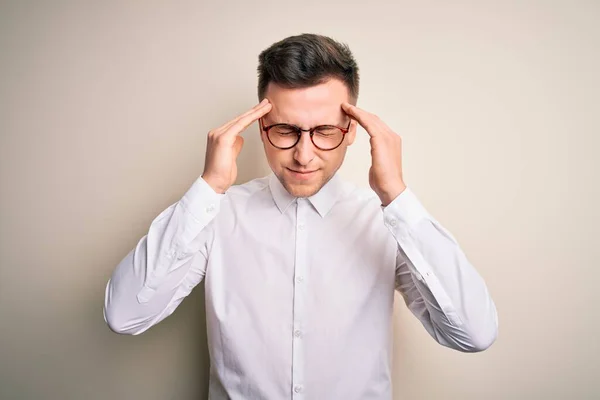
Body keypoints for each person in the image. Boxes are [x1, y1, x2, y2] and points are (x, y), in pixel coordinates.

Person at [103, 33, 498, 399]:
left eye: (324, 131)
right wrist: (209, 185)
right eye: (286, 130)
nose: (304, 155)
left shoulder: (386, 222)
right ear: (261, 125)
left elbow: (472, 333)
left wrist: (396, 194)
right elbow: (125, 315)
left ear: (352, 128)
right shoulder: (216, 213)